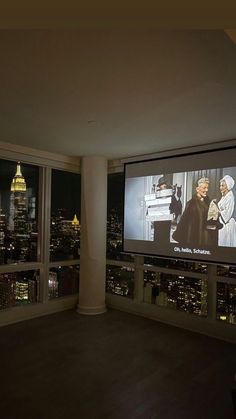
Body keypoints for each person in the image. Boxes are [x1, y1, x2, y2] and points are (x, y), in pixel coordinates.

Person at [172, 177, 212, 247]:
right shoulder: (191, 204)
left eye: (207, 188)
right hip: (196, 240)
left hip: (207, 239)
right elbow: (184, 223)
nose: (206, 190)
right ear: (197, 189)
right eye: (204, 188)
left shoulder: (209, 202)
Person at [217, 175, 236, 247]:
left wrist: (218, 212)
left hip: (227, 225)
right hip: (221, 224)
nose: (220, 187)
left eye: (223, 186)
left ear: (227, 186)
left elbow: (227, 214)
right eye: (220, 185)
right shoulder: (224, 196)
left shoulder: (230, 197)